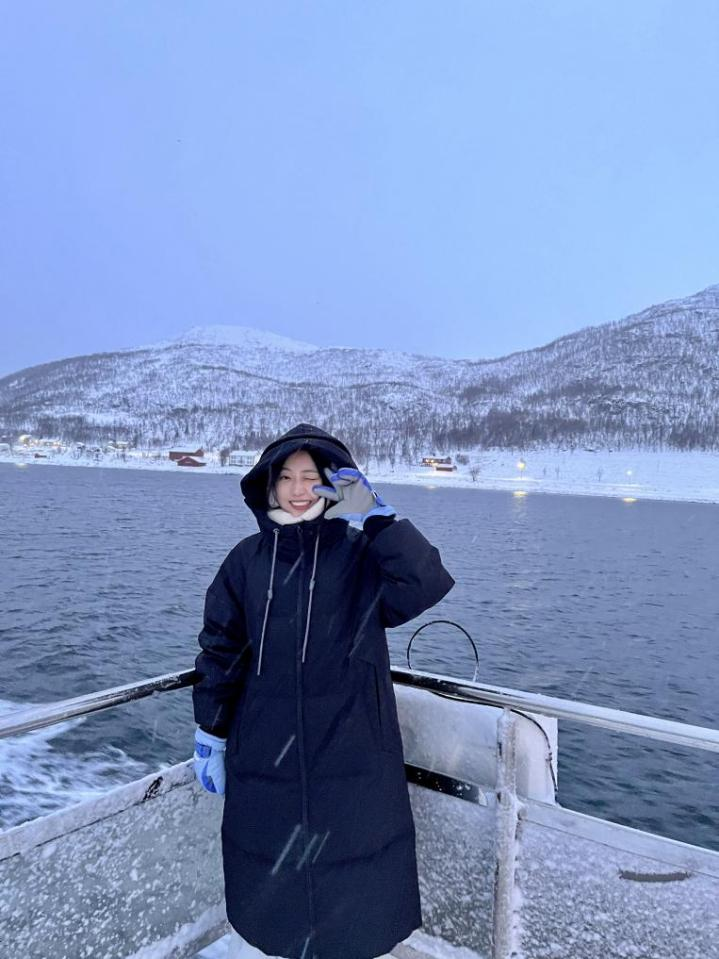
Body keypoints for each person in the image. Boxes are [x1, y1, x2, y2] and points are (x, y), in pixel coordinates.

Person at [192, 423, 455, 959]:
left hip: (354, 755)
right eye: (285, 476)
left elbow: (425, 583)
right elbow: (221, 650)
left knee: (353, 905)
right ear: (268, 484)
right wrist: (211, 731)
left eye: (311, 477)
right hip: (264, 756)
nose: (297, 489)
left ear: (334, 484)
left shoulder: (362, 555)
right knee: (276, 901)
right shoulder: (245, 561)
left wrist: (377, 517)